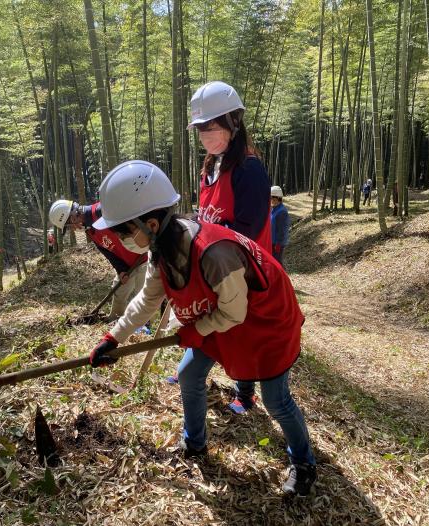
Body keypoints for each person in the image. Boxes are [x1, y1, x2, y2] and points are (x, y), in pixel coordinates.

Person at [88, 160, 317, 496]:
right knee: (190, 374)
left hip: (266, 321)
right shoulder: (161, 251)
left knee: (276, 399)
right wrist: (112, 338)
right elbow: (146, 302)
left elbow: (235, 312)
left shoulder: (213, 254)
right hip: (222, 318)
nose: (122, 239)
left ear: (151, 223)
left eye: (124, 231)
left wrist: (195, 331)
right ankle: (194, 444)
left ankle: (304, 463)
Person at [172, 80, 270, 414]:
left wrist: (210, 236)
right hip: (216, 260)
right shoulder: (210, 167)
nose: (203, 135)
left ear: (233, 122)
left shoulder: (249, 168)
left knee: (244, 329)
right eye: (199, 129)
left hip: (245, 264)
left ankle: (246, 395)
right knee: (210, 318)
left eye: (208, 127)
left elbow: (249, 229)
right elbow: (207, 214)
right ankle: (191, 373)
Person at [48, 199, 147, 319]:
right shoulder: (89, 230)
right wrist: (121, 270)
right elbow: (107, 250)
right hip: (127, 264)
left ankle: (147, 326)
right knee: (119, 291)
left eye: (69, 226)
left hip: (144, 257)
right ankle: (114, 319)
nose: (72, 229)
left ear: (73, 218)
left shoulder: (104, 211)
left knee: (144, 295)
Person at [270, 186, 290, 263]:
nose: (270, 200)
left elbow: (282, 231)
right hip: (272, 242)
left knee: (277, 263)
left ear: (277, 198)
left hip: (276, 244)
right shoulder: (274, 209)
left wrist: (278, 244)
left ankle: (281, 275)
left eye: (271, 198)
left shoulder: (282, 212)